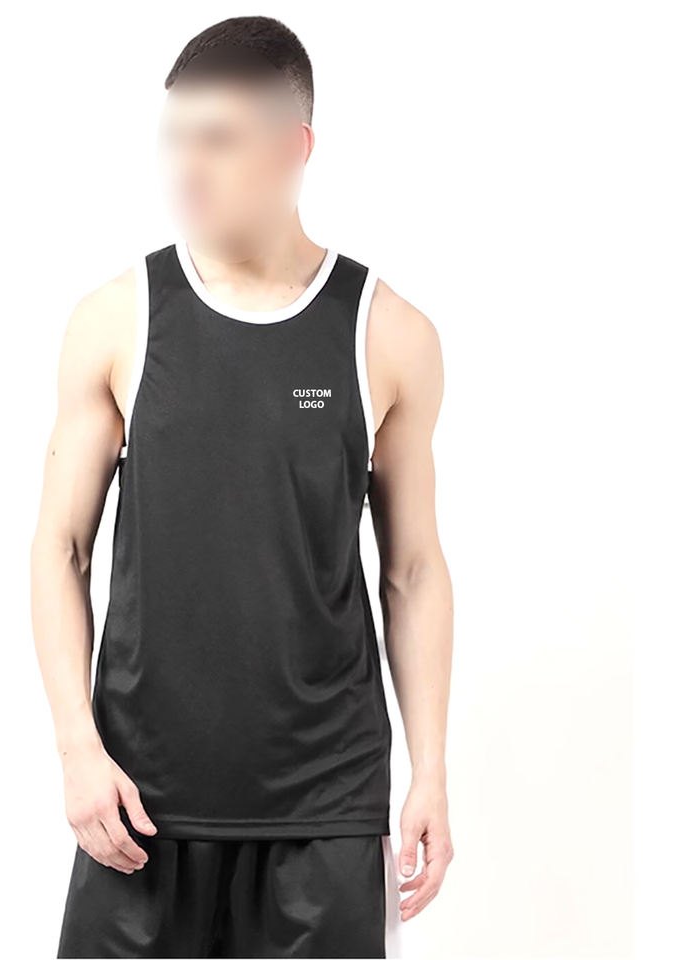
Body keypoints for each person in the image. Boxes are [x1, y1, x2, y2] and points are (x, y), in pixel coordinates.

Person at [30, 15, 454, 959]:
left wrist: (430, 770)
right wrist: (76, 749)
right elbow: (60, 548)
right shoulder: (116, 319)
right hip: (139, 798)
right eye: (174, 138)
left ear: (295, 148)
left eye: (217, 141)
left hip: (326, 804)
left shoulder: (389, 333)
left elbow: (414, 569)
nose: (186, 168)